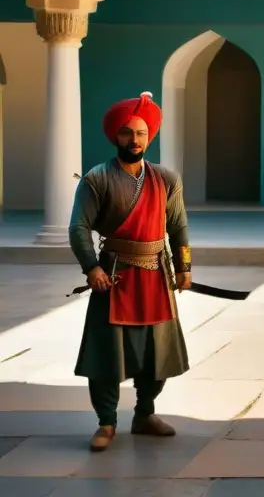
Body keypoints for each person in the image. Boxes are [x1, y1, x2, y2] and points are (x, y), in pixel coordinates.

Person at [70, 92, 192, 453]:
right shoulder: (97, 178)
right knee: (107, 355)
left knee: (158, 354)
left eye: (141, 133)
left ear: (149, 137)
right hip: (114, 276)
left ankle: (145, 414)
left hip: (157, 275)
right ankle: (106, 421)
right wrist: (91, 267)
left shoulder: (167, 178)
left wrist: (184, 267)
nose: (134, 140)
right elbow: (79, 228)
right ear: (115, 136)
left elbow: (179, 227)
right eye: (127, 133)